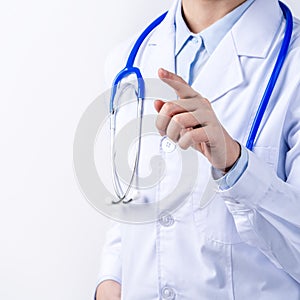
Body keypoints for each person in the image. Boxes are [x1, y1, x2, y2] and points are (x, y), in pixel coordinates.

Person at [96, 0, 300, 299]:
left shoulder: (292, 63)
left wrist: (235, 164)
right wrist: (110, 280)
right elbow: (132, 200)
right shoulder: (129, 58)